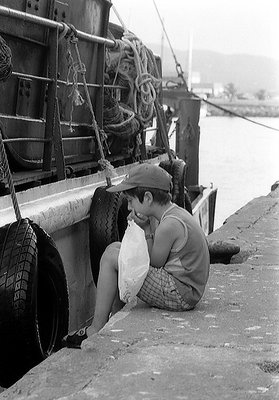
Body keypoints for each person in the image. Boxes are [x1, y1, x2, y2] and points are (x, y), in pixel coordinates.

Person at [63, 163, 210, 348]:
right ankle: (115, 318)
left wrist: (146, 229)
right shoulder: (173, 214)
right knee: (114, 249)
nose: (129, 205)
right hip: (185, 288)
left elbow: (155, 263)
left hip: (180, 294)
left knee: (111, 259)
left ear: (147, 198)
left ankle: (96, 328)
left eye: (131, 201)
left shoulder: (168, 226)